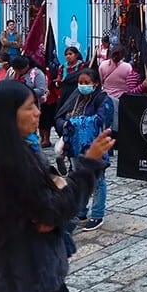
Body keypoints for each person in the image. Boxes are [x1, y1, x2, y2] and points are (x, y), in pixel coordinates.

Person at [0, 80, 113, 292]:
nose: (38, 112)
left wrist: (57, 189)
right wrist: (88, 165)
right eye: (29, 107)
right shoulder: (8, 163)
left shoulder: (21, 149)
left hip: (39, 271)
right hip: (22, 279)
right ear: (8, 116)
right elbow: (51, 215)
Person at [55, 69, 113, 231]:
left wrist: (74, 122)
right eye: (80, 83)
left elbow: (101, 120)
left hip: (94, 145)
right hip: (74, 145)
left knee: (98, 180)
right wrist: (66, 124)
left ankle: (97, 214)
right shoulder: (75, 99)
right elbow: (60, 117)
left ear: (95, 84)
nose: (82, 86)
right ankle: (80, 210)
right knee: (78, 177)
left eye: (86, 83)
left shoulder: (103, 99)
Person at [99, 46, 132, 135]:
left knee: (106, 120)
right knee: (119, 120)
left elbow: (101, 81)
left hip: (106, 97)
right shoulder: (128, 67)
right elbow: (129, 83)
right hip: (122, 98)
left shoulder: (103, 65)